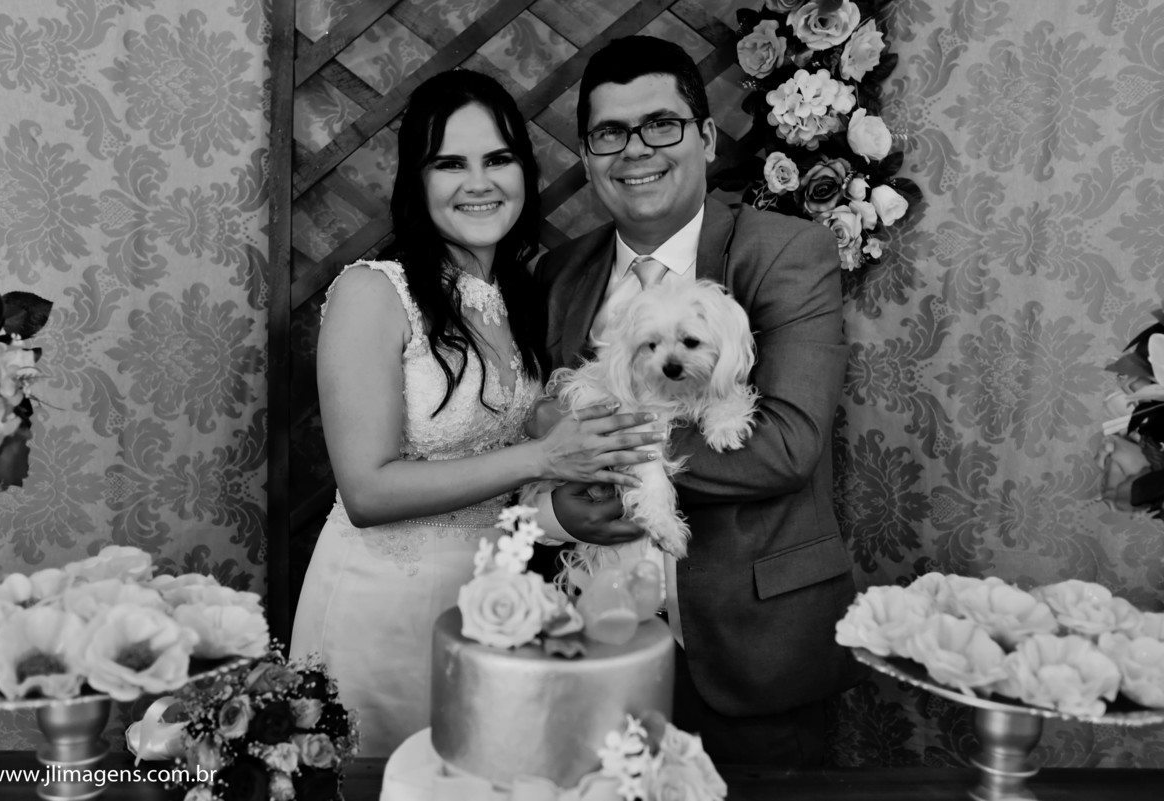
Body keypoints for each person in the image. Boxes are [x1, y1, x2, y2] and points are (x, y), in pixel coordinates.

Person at [289, 69, 663, 758]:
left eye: (498, 159)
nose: (479, 182)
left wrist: (563, 511)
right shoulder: (373, 292)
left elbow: (502, 484)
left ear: (524, 171)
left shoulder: (525, 296)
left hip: (496, 607)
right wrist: (543, 456)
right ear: (416, 180)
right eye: (450, 164)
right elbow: (366, 491)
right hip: (384, 608)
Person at [528, 36, 860, 767]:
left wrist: (610, 447)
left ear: (706, 137)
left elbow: (785, 445)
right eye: (610, 133)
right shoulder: (561, 273)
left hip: (753, 648)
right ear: (586, 155)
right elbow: (547, 435)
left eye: (661, 124)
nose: (635, 150)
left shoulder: (786, 251)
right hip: (597, 645)